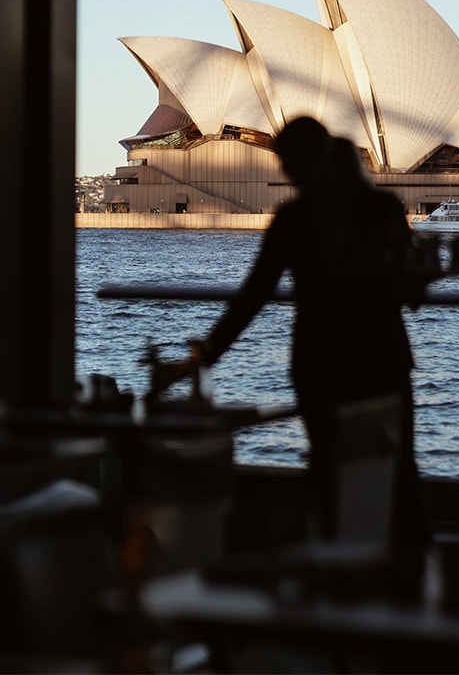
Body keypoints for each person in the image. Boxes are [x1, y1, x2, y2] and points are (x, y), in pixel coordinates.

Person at [160, 116, 430, 552]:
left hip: (320, 364)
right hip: (380, 358)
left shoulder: (294, 219)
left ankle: (339, 571)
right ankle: (409, 571)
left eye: (292, 162)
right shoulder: (380, 209)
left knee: (330, 471)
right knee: (395, 470)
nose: (292, 172)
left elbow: (253, 296)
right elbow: (411, 291)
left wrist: (206, 355)